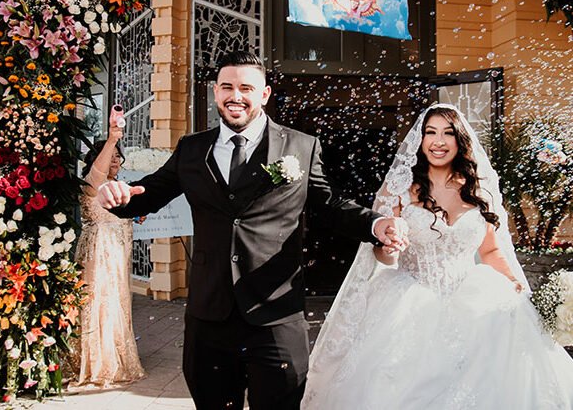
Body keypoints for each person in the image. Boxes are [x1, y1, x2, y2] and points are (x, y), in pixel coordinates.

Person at [96, 51, 406, 409]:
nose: (236, 96)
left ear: (264, 94)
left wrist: (375, 223)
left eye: (246, 88)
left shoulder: (301, 146)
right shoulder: (192, 149)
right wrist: (116, 194)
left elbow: (330, 204)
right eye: (227, 87)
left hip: (276, 313)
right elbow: (148, 194)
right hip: (209, 315)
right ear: (215, 92)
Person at [302, 104, 573, 409]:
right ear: (420, 140)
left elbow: (490, 250)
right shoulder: (399, 188)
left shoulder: (479, 189)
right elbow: (382, 253)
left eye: (448, 133)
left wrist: (514, 283)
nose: (438, 141)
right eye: (430, 133)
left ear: (460, 140)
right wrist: (389, 248)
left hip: (474, 299)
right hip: (410, 300)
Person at [72, 117, 145, 387]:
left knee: (118, 300)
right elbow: (98, 175)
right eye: (110, 156)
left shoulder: (118, 184)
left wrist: (135, 215)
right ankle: (100, 362)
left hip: (118, 250)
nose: (115, 160)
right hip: (99, 250)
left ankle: (116, 353)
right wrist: (113, 138)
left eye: (117, 156)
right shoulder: (92, 182)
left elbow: (119, 213)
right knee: (101, 300)